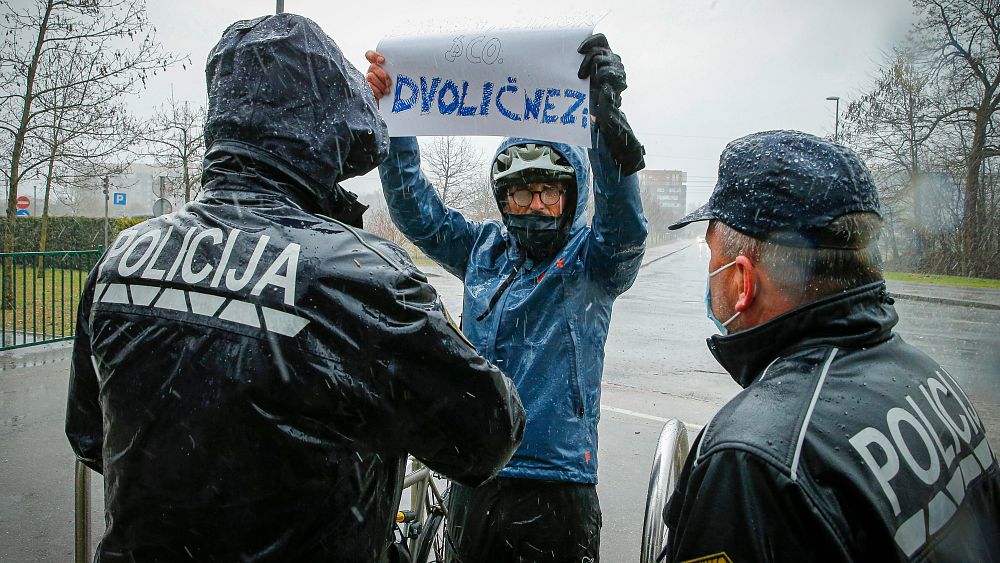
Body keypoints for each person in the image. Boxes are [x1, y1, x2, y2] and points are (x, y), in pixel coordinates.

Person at [65, 14, 525, 562]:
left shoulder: (124, 256)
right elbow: (488, 435)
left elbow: (92, 436)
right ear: (326, 133)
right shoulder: (360, 275)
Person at [365, 33, 647, 562]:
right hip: (477, 477)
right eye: (521, 191)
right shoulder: (481, 249)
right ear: (502, 195)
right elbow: (414, 211)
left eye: (549, 191)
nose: (536, 204)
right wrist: (394, 121)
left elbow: (626, 230)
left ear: (571, 193)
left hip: (559, 485)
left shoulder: (593, 261)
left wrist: (605, 134)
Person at [662, 130, 999, 562]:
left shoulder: (751, 459)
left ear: (741, 280)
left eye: (711, 256)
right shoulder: (928, 378)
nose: (710, 274)